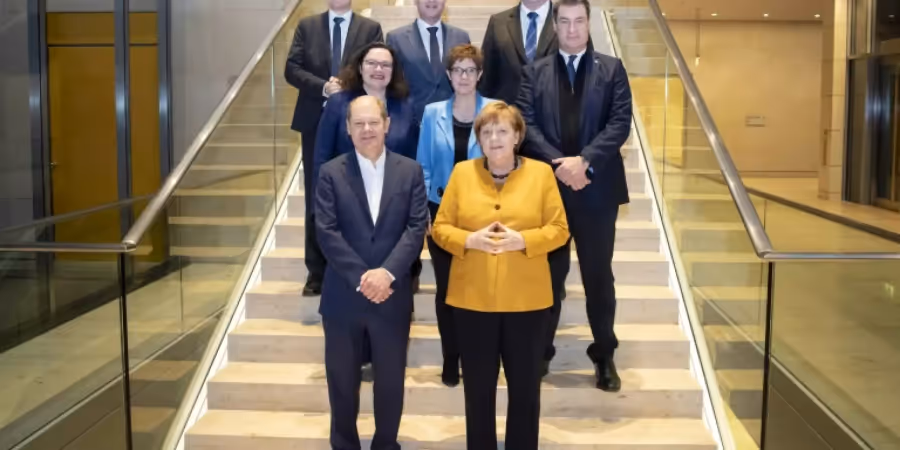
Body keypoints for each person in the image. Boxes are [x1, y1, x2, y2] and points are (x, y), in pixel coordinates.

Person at [431, 102, 569, 450]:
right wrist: (469, 240)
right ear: (479, 139)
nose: (494, 138)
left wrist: (524, 240)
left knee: (525, 391)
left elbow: (559, 229)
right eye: (487, 132)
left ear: (517, 136)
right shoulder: (462, 173)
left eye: (503, 131)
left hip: (527, 303)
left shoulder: (541, 174)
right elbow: (440, 228)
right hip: (472, 301)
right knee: (478, 392)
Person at [517, 0, 633, 392]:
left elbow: (620, 123)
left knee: (598, 277)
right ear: (554, 25)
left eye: (578, 21)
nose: (571, 29)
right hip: (549, 192)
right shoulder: (534, 72)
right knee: (548, 277)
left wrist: (584, 162)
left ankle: (604, 354)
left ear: (589, 22)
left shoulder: (612, 69)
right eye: (564, 21)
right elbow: (526, 125)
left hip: (597, 192)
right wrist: (560, 165)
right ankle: (541, 351)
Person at [315, 95, 428, 450]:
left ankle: (385, 444)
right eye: (359, 123)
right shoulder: (330, 172)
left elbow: (416, 228)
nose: (367, 129)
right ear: (348, 129)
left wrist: (387, 274)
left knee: (391, 381)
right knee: (342, 381)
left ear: (387, 125)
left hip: (392, 295)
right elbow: (326, 231)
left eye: (373, 122)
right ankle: (344, 444)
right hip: (343, 296)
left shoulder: (410, 170)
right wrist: (363, 278)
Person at [284, 0, 383, 296]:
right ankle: (316, 272)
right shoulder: (307, 26)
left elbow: (376, 70)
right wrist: (324, 87)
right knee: (317, 195)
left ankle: (355, 266)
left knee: (356, 195)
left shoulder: (370, 28)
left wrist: (347, 87)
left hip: (357, 121)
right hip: (315, 121)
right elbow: (291, 69)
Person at [416, 44, 496, 387]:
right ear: (449, 75)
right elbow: (422, 165)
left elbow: (503, 160)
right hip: (441, 210)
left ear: (480, 74)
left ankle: (478, 356)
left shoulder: (495, 111)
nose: (464, 76)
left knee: (480, 287)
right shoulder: (432, 113)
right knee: (446, 288)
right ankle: (451, 356)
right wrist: (424, 210)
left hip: (484, 210)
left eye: (470, 70)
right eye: (458, 70)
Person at [313, 42, 418, 192]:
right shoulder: (338, 103)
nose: (378, 69)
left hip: (394, 195)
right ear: (360, 68)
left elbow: (412, 159)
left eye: (386, 65)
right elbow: (321, 157)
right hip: (345, 194)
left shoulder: (406, 107)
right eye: (371, 63)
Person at [386, 0, 471, 122]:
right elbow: (392, 84)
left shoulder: (461, 37)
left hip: (453, 121)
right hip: (411, 123)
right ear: (415, 1)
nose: (432, 0)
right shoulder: (396, 38)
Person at [479, 0, 558, 104]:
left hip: (554, 110)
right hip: (506, 110)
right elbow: (486, 79)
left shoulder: (568, 20)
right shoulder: (498, 22)